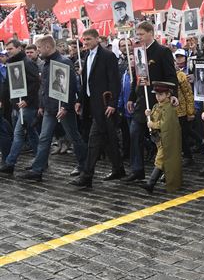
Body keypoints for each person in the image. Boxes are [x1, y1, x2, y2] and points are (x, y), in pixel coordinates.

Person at [21, 36, 87, 181]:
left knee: (74, 137)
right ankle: (37, 170)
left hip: (63, 108)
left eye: (39, 48)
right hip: (49, 108)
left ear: (47, 47)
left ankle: (84, 166)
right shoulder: (46, 63)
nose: (37, 51)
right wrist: (41, 105)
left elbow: (71, 87)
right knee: (44, 139)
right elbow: (44, 87)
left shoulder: (64, 62)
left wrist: (65, 106)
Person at [70, 29, 125, 188]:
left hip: (104, 104)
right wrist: (80, 100)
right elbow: (85, 81)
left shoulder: (108, 56)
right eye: (84, 40)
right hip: (90, 104)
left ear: (97, 39)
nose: (85, 42)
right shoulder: (86, 56)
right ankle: (118, 168)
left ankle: (86, 176)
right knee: (108, 138)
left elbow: (114, 81)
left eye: (88, 39)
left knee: (94, 140)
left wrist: (113, 103)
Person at [125, 21, 178, 182]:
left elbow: (171, 76)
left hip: (159, 101)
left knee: (161, 138)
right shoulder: (139, 52)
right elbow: (138, 76)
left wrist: (172, 94)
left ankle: (165, 168)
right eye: (137, 35)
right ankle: (137, 169)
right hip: (142, 101)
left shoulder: (162, 52)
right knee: (135, 133)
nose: (138, 37)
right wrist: (131, 98)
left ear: (150, 33)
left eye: (141, 34)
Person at [0, 40, 41, 175]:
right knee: (32, 134)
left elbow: (36, 83)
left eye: (11, 49)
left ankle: (10, 163)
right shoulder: (12, 63)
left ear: (18, 48)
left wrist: (27, 100)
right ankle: (41, 160)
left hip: (27, 105)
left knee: (18, 134)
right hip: (16, 104)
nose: (8, 51)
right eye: (7, 49)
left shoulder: (27, 62)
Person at [142, 81, 182, 193]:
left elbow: (166, 124)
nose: (158, 97)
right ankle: (165, 176)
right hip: (158, 139)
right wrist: (148, 116)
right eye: (156, 94)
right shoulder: (156, 106)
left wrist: (152, 124)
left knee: (160, 159)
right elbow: (153, 119)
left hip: (166, 139)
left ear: (168, 94)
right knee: (164, 160)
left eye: (161, 95)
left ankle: (151, 183)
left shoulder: (168, 107)